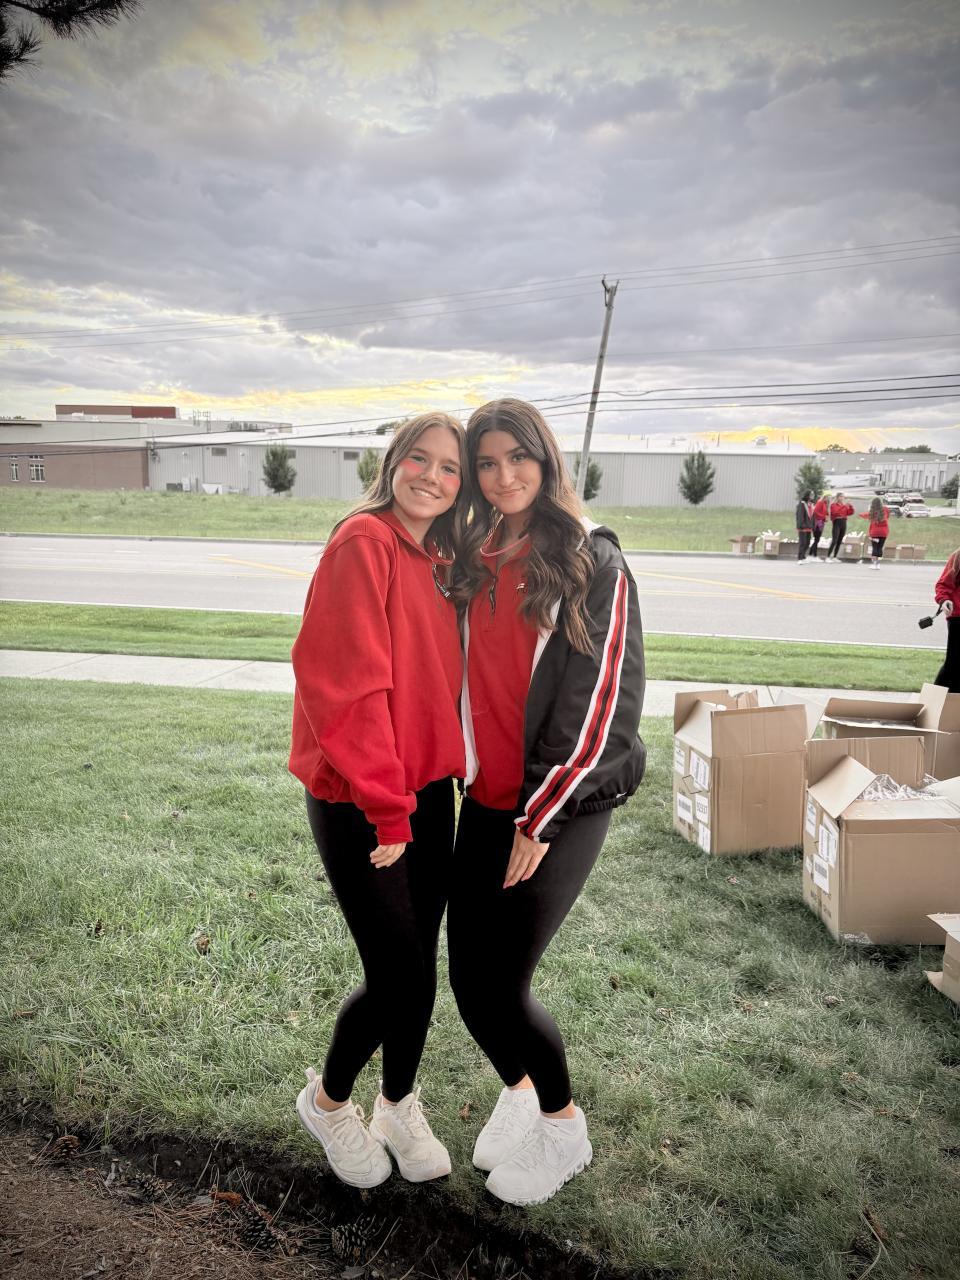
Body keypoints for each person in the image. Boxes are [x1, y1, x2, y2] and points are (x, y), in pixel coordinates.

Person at [448, 399, 645, 1207]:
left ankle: (564, 1127)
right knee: (466, 979)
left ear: (545, 457)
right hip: (486, 798)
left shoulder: (593, 560)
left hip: (558, 806)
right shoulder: (476, 553)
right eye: (487, 463)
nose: (504, 477)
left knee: (502, 981)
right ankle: (521, 1092)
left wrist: (541, 815)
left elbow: (602, 706)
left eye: (517, 458)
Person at [289, 413, 467, 1189]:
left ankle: (396, 1104)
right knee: (395, 972)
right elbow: (345, 687)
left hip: (428, 790)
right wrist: (388, 807)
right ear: (393, 463)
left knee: (419, 968)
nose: (432, 476)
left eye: (449, 467)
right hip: (364, 797)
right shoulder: (364, 542)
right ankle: (329, 1103)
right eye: (419, 459)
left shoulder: (440, 559)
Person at [934, 547, 960, 691]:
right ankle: (935, 699)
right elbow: (943, 584)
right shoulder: (958, 556)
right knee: (953, 662)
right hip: (958, 617)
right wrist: (944, 600)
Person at [859, 496, 890, 569]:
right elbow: (888, 516)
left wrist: (860, 515)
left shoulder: (872, 511)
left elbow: (866, 515)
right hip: (883, 533)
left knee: (875, 547)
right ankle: (878, 564)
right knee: (880, 548)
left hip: (874, 533)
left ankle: (874, 564)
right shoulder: (885, 509)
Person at [826, 491, 855, 561]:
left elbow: (850, 512)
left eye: (843, 497)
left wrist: (851, 506)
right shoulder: (833, 505)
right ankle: (828, 556)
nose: (842, 498)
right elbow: (835, 512)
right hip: (837, 522)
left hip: (843, 522)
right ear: (837, 497)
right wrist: (844, 506)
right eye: (841, 496)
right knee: (834, 540)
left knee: (840, 540)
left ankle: (835, 556)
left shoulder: (844, 505)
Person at [795, 490, 814, 562]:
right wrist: (801, 525)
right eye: (811, 495)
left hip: (809, 527)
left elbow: (812, 516)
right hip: (802, 527)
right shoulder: (802, 504)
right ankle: (800, 558)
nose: (812, 496)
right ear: (807, 495)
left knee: (807, 543)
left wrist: (812, 525)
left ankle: (803, 556)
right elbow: (800, 516)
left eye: (813, 495)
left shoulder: (811, 504)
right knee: (802, 543)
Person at [810, 491, 829, 561]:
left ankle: (810, 554)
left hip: (821, 523)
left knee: (817, 539)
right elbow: (815, 512)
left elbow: (825, 512)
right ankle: (814, 555)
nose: (828, 498)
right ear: (824, 497)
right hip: (817, 523)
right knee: (817, 539)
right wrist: (823, 517)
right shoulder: (820, 502)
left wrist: (826, 516)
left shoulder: (825, 503)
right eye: (826, 497)